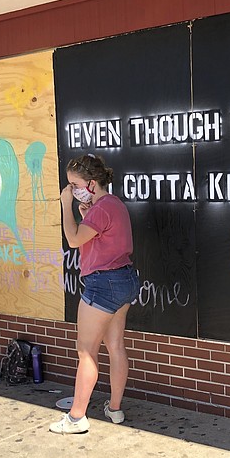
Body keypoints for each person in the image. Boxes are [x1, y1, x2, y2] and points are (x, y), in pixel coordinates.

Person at [50, 154, 139, 434]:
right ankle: (115, 409)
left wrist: (66, 207)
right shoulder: (112, 205)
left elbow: (74, 240)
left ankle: (76, 417)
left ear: (91, 183)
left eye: (74, 184)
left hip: (102, 284)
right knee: (115, 346)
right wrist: (86, 211)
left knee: (86, 351)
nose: (70, 190)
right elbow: (102, 236)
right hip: (124, 280)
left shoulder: (102, 208)